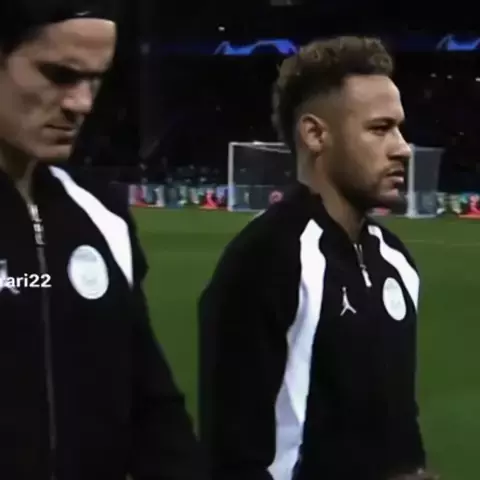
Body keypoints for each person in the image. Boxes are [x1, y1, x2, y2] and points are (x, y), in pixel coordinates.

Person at [198, 36, 438, 480]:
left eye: (400, 129)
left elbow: (402, 426)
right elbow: (232, 455)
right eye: (380, 129)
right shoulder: (265, 261)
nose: (403, 147)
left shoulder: (396, 262)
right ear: (315, 134)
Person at [0, 1, 203, 479]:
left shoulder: (103, 216)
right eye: (59, 75)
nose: (81, 104)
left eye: (95, 80)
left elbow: (151, 404)